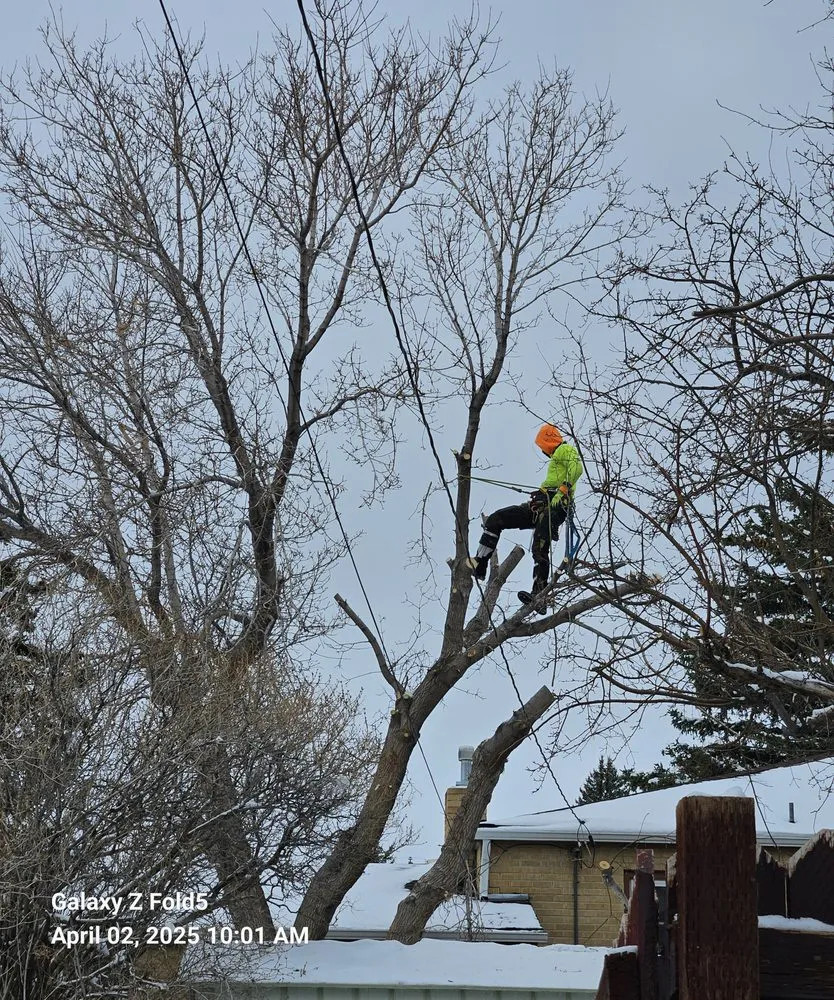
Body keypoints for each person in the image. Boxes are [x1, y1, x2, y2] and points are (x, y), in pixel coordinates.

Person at [468, 424, 583, 607]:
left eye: (542, 445)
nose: (542, 450)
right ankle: (480, 564)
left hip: (555, 507)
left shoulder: (565, 449)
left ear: (548, 441)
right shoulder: (557, 457)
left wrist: (563, 490)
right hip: (542, 504)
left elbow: (577, 468)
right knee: (496, 519)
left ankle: (540, 595)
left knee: (539, 546)